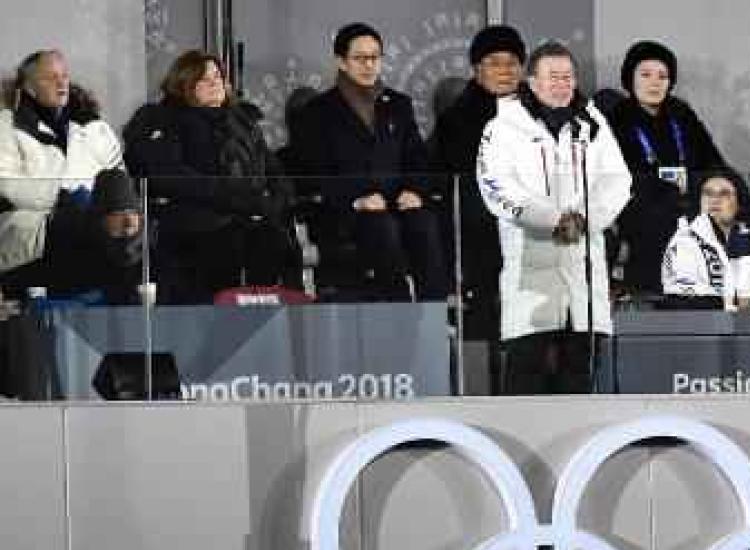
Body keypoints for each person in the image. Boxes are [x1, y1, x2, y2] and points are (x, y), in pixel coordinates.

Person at [477, 41, 631, 394]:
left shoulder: (593, 124)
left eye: (568, 77)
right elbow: (496, 186)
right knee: (525, 374)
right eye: (553, 77)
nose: (562, 84)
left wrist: (585, 219)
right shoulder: (504, 126)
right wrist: (550, 218)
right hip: (529, 266)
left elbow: (617, 180)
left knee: (580, 372)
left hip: (583, 264)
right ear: (531, 81)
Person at [124, 50, 300, 303]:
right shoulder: (164, 118)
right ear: (184, 84)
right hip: (198, 226)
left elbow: (272, 169)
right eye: (204, 79)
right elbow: (169, 175)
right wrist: (230, 196)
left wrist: (275, 199)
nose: (215, 83)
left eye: (218, 76)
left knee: (274, 241)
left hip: (253, 220)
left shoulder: (243, 121)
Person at [290, 22, 447, 300]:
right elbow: (314, 173)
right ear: (341, 61)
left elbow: (417, 158)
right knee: (380, 225)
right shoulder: (318, 112)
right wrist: (356, 199)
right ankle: (398, 310)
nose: (369, 65)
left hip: (395, 202)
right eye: (360, 58)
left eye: (375, 57)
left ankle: (433, 312)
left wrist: (414, 190)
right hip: (347, 210)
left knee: (424, 221)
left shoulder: (397, 105)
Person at [0, 49, 141, 301]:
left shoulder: (94, 127)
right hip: (38, 227)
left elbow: (118, 179)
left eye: (64, 76)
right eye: (50, 78)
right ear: (29, 87)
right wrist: (64, 197)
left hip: (97, 225)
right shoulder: (6, 125)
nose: (61, 82)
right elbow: (7, 184)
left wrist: (97, 205)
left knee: (130, 225)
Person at [429, 25, 526, 341]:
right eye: (494, 62)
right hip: (480, 225)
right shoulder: (456, 120)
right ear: (476, 69)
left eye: (512, 62)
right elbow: (453, 184)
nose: (505, 71)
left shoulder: (538, 111)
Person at [608, 40, 725, 295]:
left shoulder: (681, 114)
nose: (655, 83)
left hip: (691, 203)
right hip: (643, 209)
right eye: (646, 75)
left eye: (663, 76)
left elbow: (712, 162)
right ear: (630, 79)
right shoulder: (617, 118)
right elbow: (618, 179)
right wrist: (661, 188)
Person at [662, 168, 750, 307]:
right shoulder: (684, 239)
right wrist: (732, 302)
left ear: (739, 203)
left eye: (724, 194)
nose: (715, 200)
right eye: (708, 194)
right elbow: (682, 292)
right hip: (703, 321)